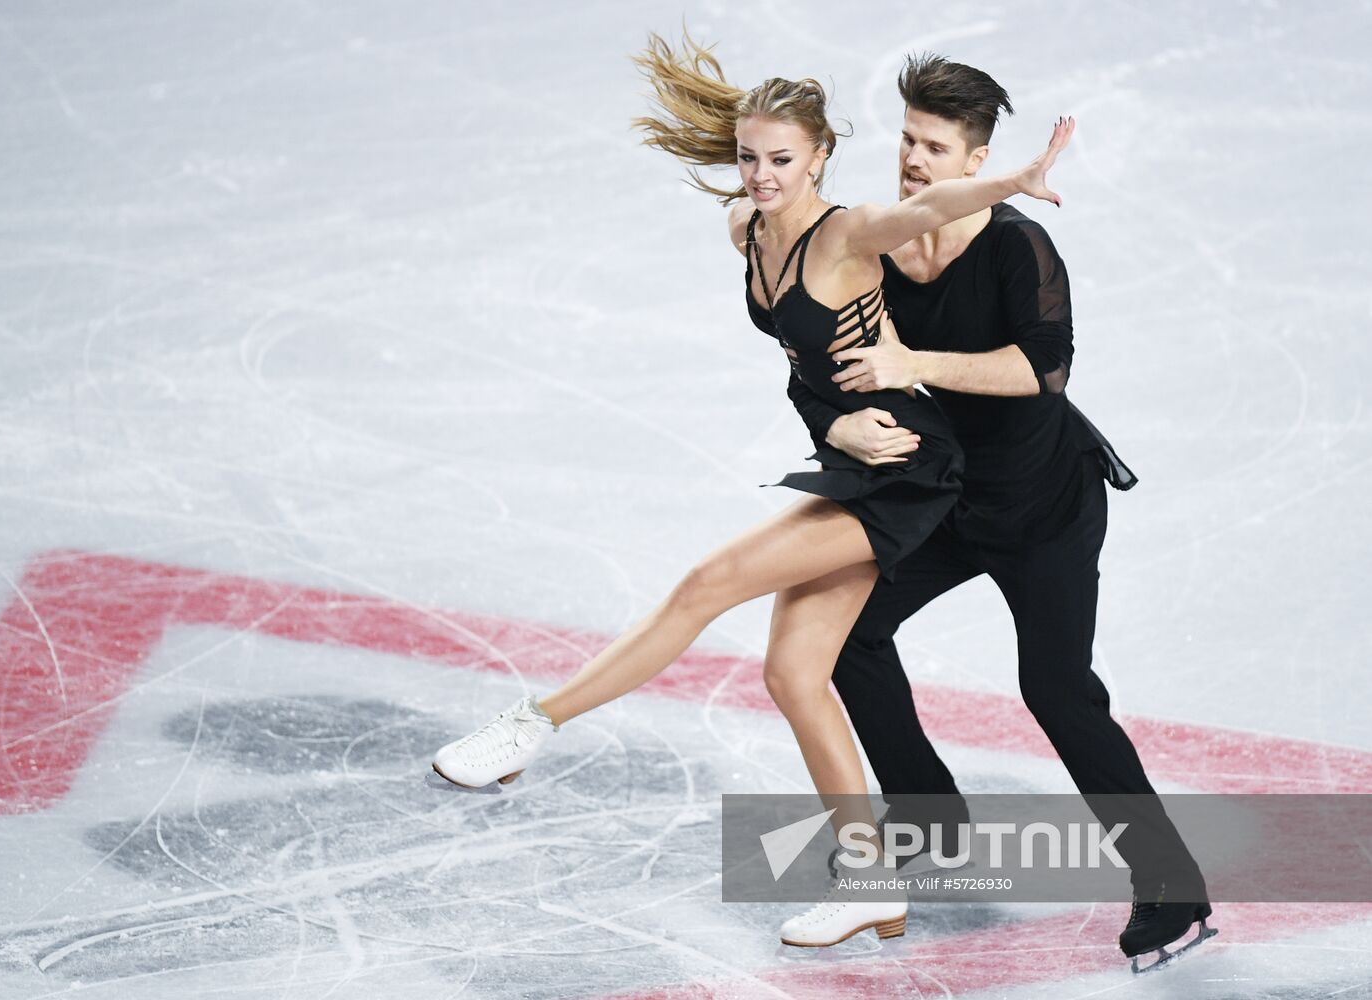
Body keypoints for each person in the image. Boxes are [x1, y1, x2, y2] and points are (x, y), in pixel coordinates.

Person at [431, 32, 1073, 949]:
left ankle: (528, 726)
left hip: (906, 467)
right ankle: (869, 881)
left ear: (819, 157)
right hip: (854, 453)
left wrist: (1013, 179)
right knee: (793, 674)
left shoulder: (846, 232)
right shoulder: (745, 230)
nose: (762, 176)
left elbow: (934, 204)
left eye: (781, 160)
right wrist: (833, 425)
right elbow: (806, 364)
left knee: (707, 584)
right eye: (749, 158)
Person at [784, 52, 1214, 972]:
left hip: (1044, 505)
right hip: (943, 502)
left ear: (974, 160)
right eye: (907, 139)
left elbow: (1042, 371)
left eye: (934, 148)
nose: (912, 160)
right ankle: (931, 819)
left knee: (1056, 690)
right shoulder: (875, 246)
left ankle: (1172, 886)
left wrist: (914, 364)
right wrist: (838, 423)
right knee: (846, 631)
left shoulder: (1018, 247)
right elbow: (811, 362)